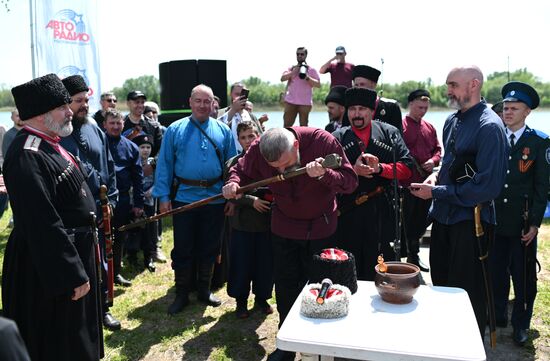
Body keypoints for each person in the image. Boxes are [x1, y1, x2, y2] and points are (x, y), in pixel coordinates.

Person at [222, 126, 357, 361]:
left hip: (321, 229)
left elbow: (350, 182)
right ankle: (287, 343)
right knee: (285, 287)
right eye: (276, 168)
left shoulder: (322, 142)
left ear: (296, 146)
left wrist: (324, 174)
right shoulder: (258, 148)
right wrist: (233, 183)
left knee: (320, 289)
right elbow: (240, 171)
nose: (282, 171)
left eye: (286, 164)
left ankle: (319, 346)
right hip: (284, 228)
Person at [3, 73, 103, 360]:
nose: (69, 111)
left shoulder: (51, 142)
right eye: (62, 107)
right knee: (61, 343)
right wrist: (70, 273)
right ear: (40, 115)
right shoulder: (27, 154)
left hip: (73, 253)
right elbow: (42, 222)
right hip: (50, 267)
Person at [410, 66, 508, 338]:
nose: (448, 91)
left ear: (473, 85)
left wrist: (437, 192)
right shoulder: (453, 121)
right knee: (441, 287)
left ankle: (469, 348)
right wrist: (434, 177)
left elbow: (487, 188)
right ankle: (446, 343)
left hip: (471, 224)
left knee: (468, 294)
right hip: (444, 219)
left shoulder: (490, 127)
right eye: (448, 85)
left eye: (453, 85)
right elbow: (450, 167)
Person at [153, 84, 237, 314]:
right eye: (198, 100)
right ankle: (181, 293)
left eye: (206, 101)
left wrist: (232, 197)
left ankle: (204, 289)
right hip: (184, 199)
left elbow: (232, 168)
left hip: (216, 198)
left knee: (210, 245)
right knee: (183, 247)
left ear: (213, 104)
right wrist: (162, 197)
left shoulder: (223, 130)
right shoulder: (174, 130)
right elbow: (164, 165)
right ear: (190, 102)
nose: (202, 105)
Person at [59, 74, 122, 331]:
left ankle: (103, 308)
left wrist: (113, 201)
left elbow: (109, 167)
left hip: (102, 210)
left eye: (86, 99)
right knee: (81, 266)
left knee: (102, 263)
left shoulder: (95, 128)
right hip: (74, 216)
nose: (84, 105)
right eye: (78, 101)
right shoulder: (58, 133)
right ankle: (83, 315)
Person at [490, 81, 550, 346]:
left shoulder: (539, 142)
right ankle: (499, 315)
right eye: (505, 107)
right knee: (496, 273)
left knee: (524, 277)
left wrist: (535, 223)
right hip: (495, 221)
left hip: (522, 224)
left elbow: (542, 187)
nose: (508, 112)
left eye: (514, 108)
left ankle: (521, 324)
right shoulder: (493, 136)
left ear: (527, 112)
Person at [333, 87, 412, 281]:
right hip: (348, 211)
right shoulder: (337, 137)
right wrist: (353, 170)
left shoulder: (389, 133)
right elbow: (327, 175)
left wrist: (380, 169)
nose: (357, 114)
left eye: (362, 109)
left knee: (381, 262)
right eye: (352, 109)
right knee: (348, 263)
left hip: (382, 211)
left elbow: (407, 168)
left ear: (372, 111)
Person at [224, 121, 273, 319]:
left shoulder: (271, 160)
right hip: (242, 223)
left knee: (265, 263)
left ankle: (262, 298)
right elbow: (230, 191)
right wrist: (251, 201)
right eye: (243, 137)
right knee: (241, 263)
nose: (247, 141)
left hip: (266, 223)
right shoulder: (233, 163)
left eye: (251, 136)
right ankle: (241, 301)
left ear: (259, 135)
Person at [400, 89, 441, 272]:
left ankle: (413, 255)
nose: (422, 111)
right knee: (406, 220)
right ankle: (404, 255)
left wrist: (432, 161)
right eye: (419, 107)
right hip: (407, 184)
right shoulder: (400, 126)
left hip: (426, 183)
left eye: (425, 108)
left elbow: (438, 150)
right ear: (410, 104)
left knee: (422, 219)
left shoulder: (430, 127)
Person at [104, 110, 146, 271]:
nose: (115, 126)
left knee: (119, 236)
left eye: (118, 123)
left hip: (122, 200)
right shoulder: (98, 143)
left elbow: (138, 178)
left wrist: (138, 203)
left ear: (123, 124)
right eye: (112, 123)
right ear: (104, 124)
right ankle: (102, 274)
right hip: (100, 199)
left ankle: (115, 272)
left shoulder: (131, 147)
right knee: (102, 238)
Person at [129, 133, 158, 272]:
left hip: (149, 200)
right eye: (142, 147)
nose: (145, 150)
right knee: (133, 229)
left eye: (148, 147)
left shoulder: (154, 163)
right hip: (134, 200)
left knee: (149, 230)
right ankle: (132, 256)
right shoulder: (132, 160)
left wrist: (152, 190)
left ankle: (149, 257)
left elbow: (159, 180)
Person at [352, 65, 403, 133]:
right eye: (356, 85)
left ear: (373, 85)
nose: (359, 89)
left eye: (362, 84)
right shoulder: (350, 108)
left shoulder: (391, 107)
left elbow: (397, 137)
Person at [280, 47, 321, 127]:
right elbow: (282, 78)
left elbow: (318, 84)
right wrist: (293, 72)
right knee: (287, 126)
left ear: (306, 55)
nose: (299, 56)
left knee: (304, 127)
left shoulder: (311, 70)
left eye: (302, 54)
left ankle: (303, 140)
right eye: (297, 54)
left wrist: (307, 78)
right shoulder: (291, 68)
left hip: (305, 103)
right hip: (290, 102)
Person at [218, 82, 264, 151]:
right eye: (237, 94)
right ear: (230, 94)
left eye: (243, 95)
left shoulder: (252, 117)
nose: (240, 97)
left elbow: (260, 138)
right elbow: (217, 131)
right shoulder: (221, 113)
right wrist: (233, 110)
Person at [123, 90, 163, 156]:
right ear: (128, 103)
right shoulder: (120, 124)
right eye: (137, 102)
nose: (140, 105)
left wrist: (152, 164)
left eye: (142, 102)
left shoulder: (154, 126)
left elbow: (161, 149)